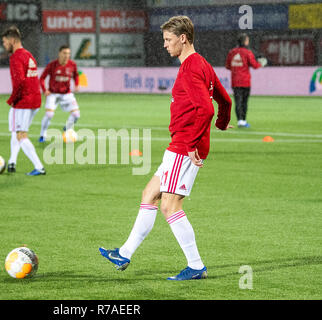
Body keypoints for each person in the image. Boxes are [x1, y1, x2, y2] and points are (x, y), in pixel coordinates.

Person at [99, 16, 232, 281]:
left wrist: (194, 142)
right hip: (181, 145)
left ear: (183, 38)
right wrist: (222, 121)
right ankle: (124, 253)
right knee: (149, 193)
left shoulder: (190, 67)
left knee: (170, 207)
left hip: (185, 146)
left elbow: (205, 108)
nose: (164, 45)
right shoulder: (202, 63)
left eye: (168, 40)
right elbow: (224, 99)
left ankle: (196, 266)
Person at [1, 26, 46, 176]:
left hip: (24, 100)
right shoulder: (28, 55)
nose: (4, 45)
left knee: (21, 135)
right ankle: (12, 162)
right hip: (35, 99)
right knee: (17, 131)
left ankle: (39, 167)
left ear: (12, 40)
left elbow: (19, 81)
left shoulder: (16, 57)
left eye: (5, 42)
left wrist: (12, 99)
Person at [38, 45, 80, 143]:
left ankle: (68, 128)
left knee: (76, 115)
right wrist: (45, 90)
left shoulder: (72, 65)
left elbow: (76, 75)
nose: (66, 56)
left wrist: (77, 84)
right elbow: (42, 78)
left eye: (68, 53)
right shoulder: (52, 65)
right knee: (49, 115)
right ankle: (42, 135)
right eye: (64, 53)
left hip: (67, 94)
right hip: (53, 94)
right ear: (59, 53)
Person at [225, 33, 266, 128]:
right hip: (245, 81)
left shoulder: (232, 52)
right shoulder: (247, 52)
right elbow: (254, 65)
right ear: (245, 41)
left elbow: (227, 66)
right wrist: (261, 64)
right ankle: (243, 120)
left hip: (235, 81)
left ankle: (240, 120)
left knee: (237, 101)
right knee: (244, 102)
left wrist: (236, 69)